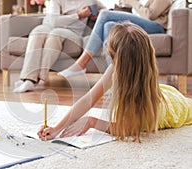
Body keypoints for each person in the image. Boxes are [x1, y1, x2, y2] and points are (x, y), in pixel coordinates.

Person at [38, 22, 192, 142]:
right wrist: (56, 128)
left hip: (174, 104)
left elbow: (126, 129)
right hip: (162, 91)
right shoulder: (116, 68)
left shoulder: (146, 110)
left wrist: (91, 121)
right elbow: (89, 99)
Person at [58, 0, 172, 78]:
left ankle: (81, 63)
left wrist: (133, 2)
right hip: (149, 24)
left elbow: (148, 15)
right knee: (108, 25)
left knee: (105, 15)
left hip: (157, 27)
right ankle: (114, 77)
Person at [13, 0, 106, 92]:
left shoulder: (91, 1)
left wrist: (98, 14)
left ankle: (36, 79)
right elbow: (54, 21)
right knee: (37, 32)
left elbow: (106, 12)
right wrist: (78, 16)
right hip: (49, 26)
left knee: (55, 34)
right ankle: (28, 79)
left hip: (73, 31)